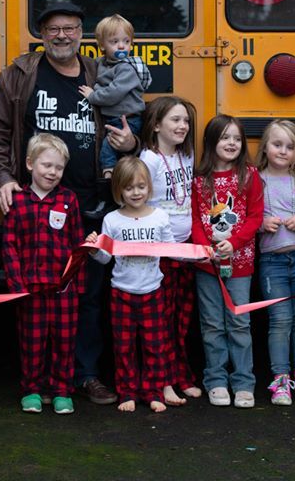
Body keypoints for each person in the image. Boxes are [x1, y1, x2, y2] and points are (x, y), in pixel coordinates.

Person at [0, 1, 137, 406]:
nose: (62, 35)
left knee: (86, 296)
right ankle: (35, 379)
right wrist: (2, 178)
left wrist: (131, 143)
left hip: (91, 204)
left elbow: (133, 116)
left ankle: (83, 375)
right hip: (35, 207)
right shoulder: (19, 76)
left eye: (70, 28)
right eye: (54, 29)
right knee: (36, 296)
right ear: (42, 35)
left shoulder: (103, 72)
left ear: (81, 33)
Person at [2, 133, 84, 415]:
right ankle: (32, 390)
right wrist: (16, 284)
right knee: (32, 341)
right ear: (29, 164)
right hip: (30, 289)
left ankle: (62, 390)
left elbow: (78, 244)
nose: (52, 172)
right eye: (46, 165)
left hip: (63, 289)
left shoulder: (68, 200)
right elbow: (9, 244)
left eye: (58, 168)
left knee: (64, 340)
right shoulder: (18, 201)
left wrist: (77, 284)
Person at [86, 157, 174, 413]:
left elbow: (170, 249)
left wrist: (201, 252)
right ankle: (128, 392)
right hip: (121, 293)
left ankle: (153, 392)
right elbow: (105, 258)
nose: (135, 192)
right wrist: (94, 250)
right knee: (124, 347)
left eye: (141, 186)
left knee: (154, 346)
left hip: (153, 291)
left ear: (149, 187)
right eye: (128, 187)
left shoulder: (160, 217)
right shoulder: (112, 220)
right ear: (119, 190)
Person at [191, 115, 263, 409]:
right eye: (224, 138)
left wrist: (232, 243)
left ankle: (244, 382)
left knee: (239, 322)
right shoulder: (200, 179)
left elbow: (255, 217)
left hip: (240, 264)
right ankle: (216, 380)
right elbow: (195, 218)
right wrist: (203, 247)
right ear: (211, 142)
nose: (231, 143)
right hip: (206, 265)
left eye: (236, 138)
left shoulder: (249, 175)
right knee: (211, 324)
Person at [138, 96, 201, 406]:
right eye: (175, 120)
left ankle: (180, 374)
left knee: (180, 320)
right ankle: (161, 383)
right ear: (156, 124)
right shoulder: (148, 160)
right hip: (159, 254)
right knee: (159, 323)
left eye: (186, 121)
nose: (183, 126)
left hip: (185, 252)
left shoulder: (186, 158)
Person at [255, 119, 295, 406]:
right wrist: (261, 223)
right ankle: (280, 378)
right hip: (273, 262)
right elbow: (246, 216)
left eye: (290, 147)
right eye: (277, 144)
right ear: (265, 148)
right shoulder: (255, 181)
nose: (283, 151)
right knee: (279, 320)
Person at [79, 14, 151, 178]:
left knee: (108, 144)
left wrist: (93, 95)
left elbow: (113, 93)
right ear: (102, 45)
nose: (121, 46)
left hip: (128, 118)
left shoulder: (126, 68)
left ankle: (108, 173)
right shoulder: (100, 63)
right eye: (114, 42)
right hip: (111, 118)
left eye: (126, 42)